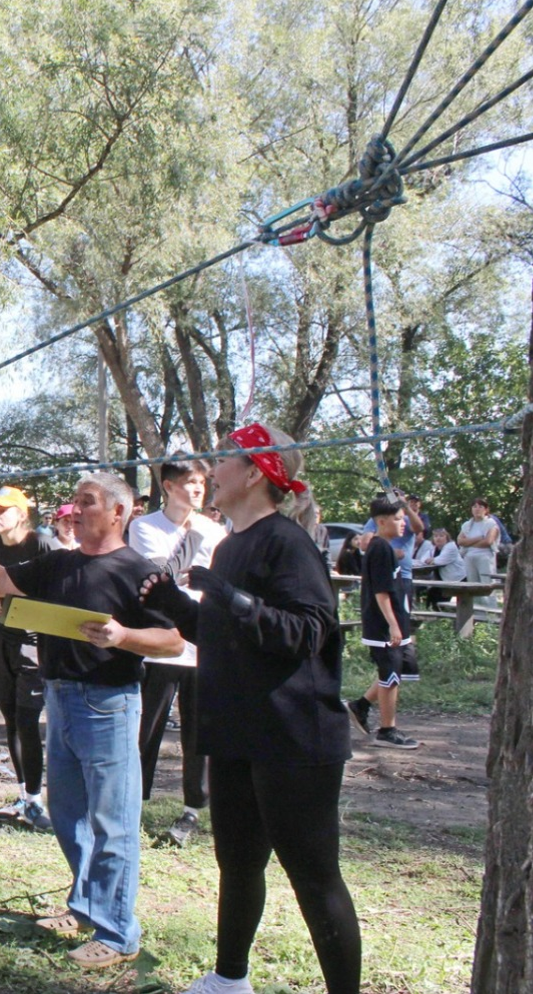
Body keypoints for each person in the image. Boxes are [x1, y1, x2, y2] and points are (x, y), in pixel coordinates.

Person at [139, 422, 360, 994]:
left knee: (314, 877)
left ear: (257, 472)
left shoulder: (288, 543)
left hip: (294, 736)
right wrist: (172, 605)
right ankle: (229, 979)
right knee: (237, 864)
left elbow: (310, 631)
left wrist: (232, 597)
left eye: (227, 460)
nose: (214, 470)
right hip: (237, 731)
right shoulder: (232, 543)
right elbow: (225, 634)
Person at [0, 472, 181, 971]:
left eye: (88, 502)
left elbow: (175, 641)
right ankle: (85, 908)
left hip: (110, 704)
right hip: (61, 697)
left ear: (120, 512)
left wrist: (122, 636)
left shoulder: (141, 571)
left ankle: (118, 934)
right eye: (75, 501)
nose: (76, 510)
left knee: (112, 822)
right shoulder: (58, 563)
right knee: (69, 813)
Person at [126, 456, 226, 847]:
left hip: (202, 646)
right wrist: (191, 546)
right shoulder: (144, 527)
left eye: (202, 482)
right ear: (168, 486)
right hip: (157, 645)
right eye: (189, 482)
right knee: (146, 728)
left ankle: (191, 811)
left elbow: (211, 582)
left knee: (199, 733)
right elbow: (159, 580)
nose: (198, 489)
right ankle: (134, 802)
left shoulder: (214, 529)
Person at [0, 485, 60, 827]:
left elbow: (61, 589)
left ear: (21, 514)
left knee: (28, 722)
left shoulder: (42, 545)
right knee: (10, 719)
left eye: (3, 511)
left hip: (35, 642)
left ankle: (38, 802)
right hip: (2, 640)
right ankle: (25, 796)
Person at [345, 497, 421, 750]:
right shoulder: (380, 549)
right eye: (398, 519)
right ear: (381, 521)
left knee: (399, 671)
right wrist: (393, 624)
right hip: (382, 624)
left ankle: (360, 706)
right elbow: (381, 592)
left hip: (394, 620)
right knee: (390, 675)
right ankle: (387, 730)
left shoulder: (385, 547)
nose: (403, 524)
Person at [457, 498, 500, 609]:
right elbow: (460, 541)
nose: (477, 509)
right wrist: (478, 538)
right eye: (474, 506)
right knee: (473, 585)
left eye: (480, 507)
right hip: (469, 557)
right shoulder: (467, 525)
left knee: (486, 584)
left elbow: (488, 542)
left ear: (486, 509)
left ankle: (491, 612)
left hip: (485, 557)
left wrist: (469, 542)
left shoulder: (491, 524)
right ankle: (476, 612)